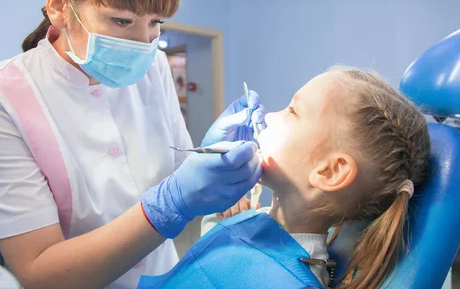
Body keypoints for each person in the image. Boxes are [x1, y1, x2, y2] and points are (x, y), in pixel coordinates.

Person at [0, 0, 264, 289]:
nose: (144, 42)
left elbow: (179, 165)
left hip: (165, 277)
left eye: (156, 22)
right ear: (59, 5)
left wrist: (213, 157)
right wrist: (165, 208)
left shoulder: (155, 64)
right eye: (122, 22)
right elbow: (38, 272)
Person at [138, 67, 431, 289]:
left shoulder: (292, 280)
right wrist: (217, 227)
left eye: (292, 111)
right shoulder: (254, 219)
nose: (268, 116)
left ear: (330, 171)